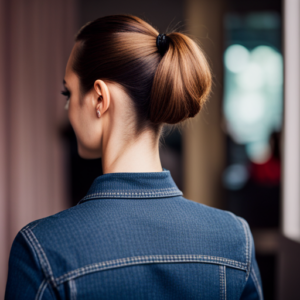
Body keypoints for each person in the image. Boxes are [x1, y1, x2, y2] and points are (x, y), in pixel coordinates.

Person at [5, 14, 263, 299]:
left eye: (69, 92)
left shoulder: (42, 248)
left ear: (100, 99)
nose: (67, 109)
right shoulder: (235, 240)